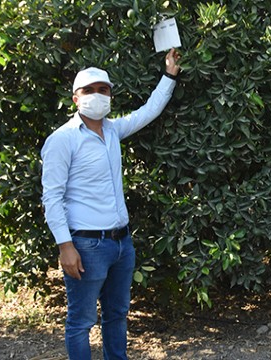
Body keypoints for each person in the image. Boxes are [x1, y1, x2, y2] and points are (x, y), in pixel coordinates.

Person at [41, 48, 181, 360]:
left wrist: (169, 74)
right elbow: (51, 196)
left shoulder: (113, 131)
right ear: (75, 98)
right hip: (86, 245)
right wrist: (65, 246)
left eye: (103, 90)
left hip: (122, 243)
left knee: (117, 315)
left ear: (110, 97)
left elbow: (148, 111)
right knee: (81, 321)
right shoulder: (63, 139)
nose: (97, 95)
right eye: (88, 91)